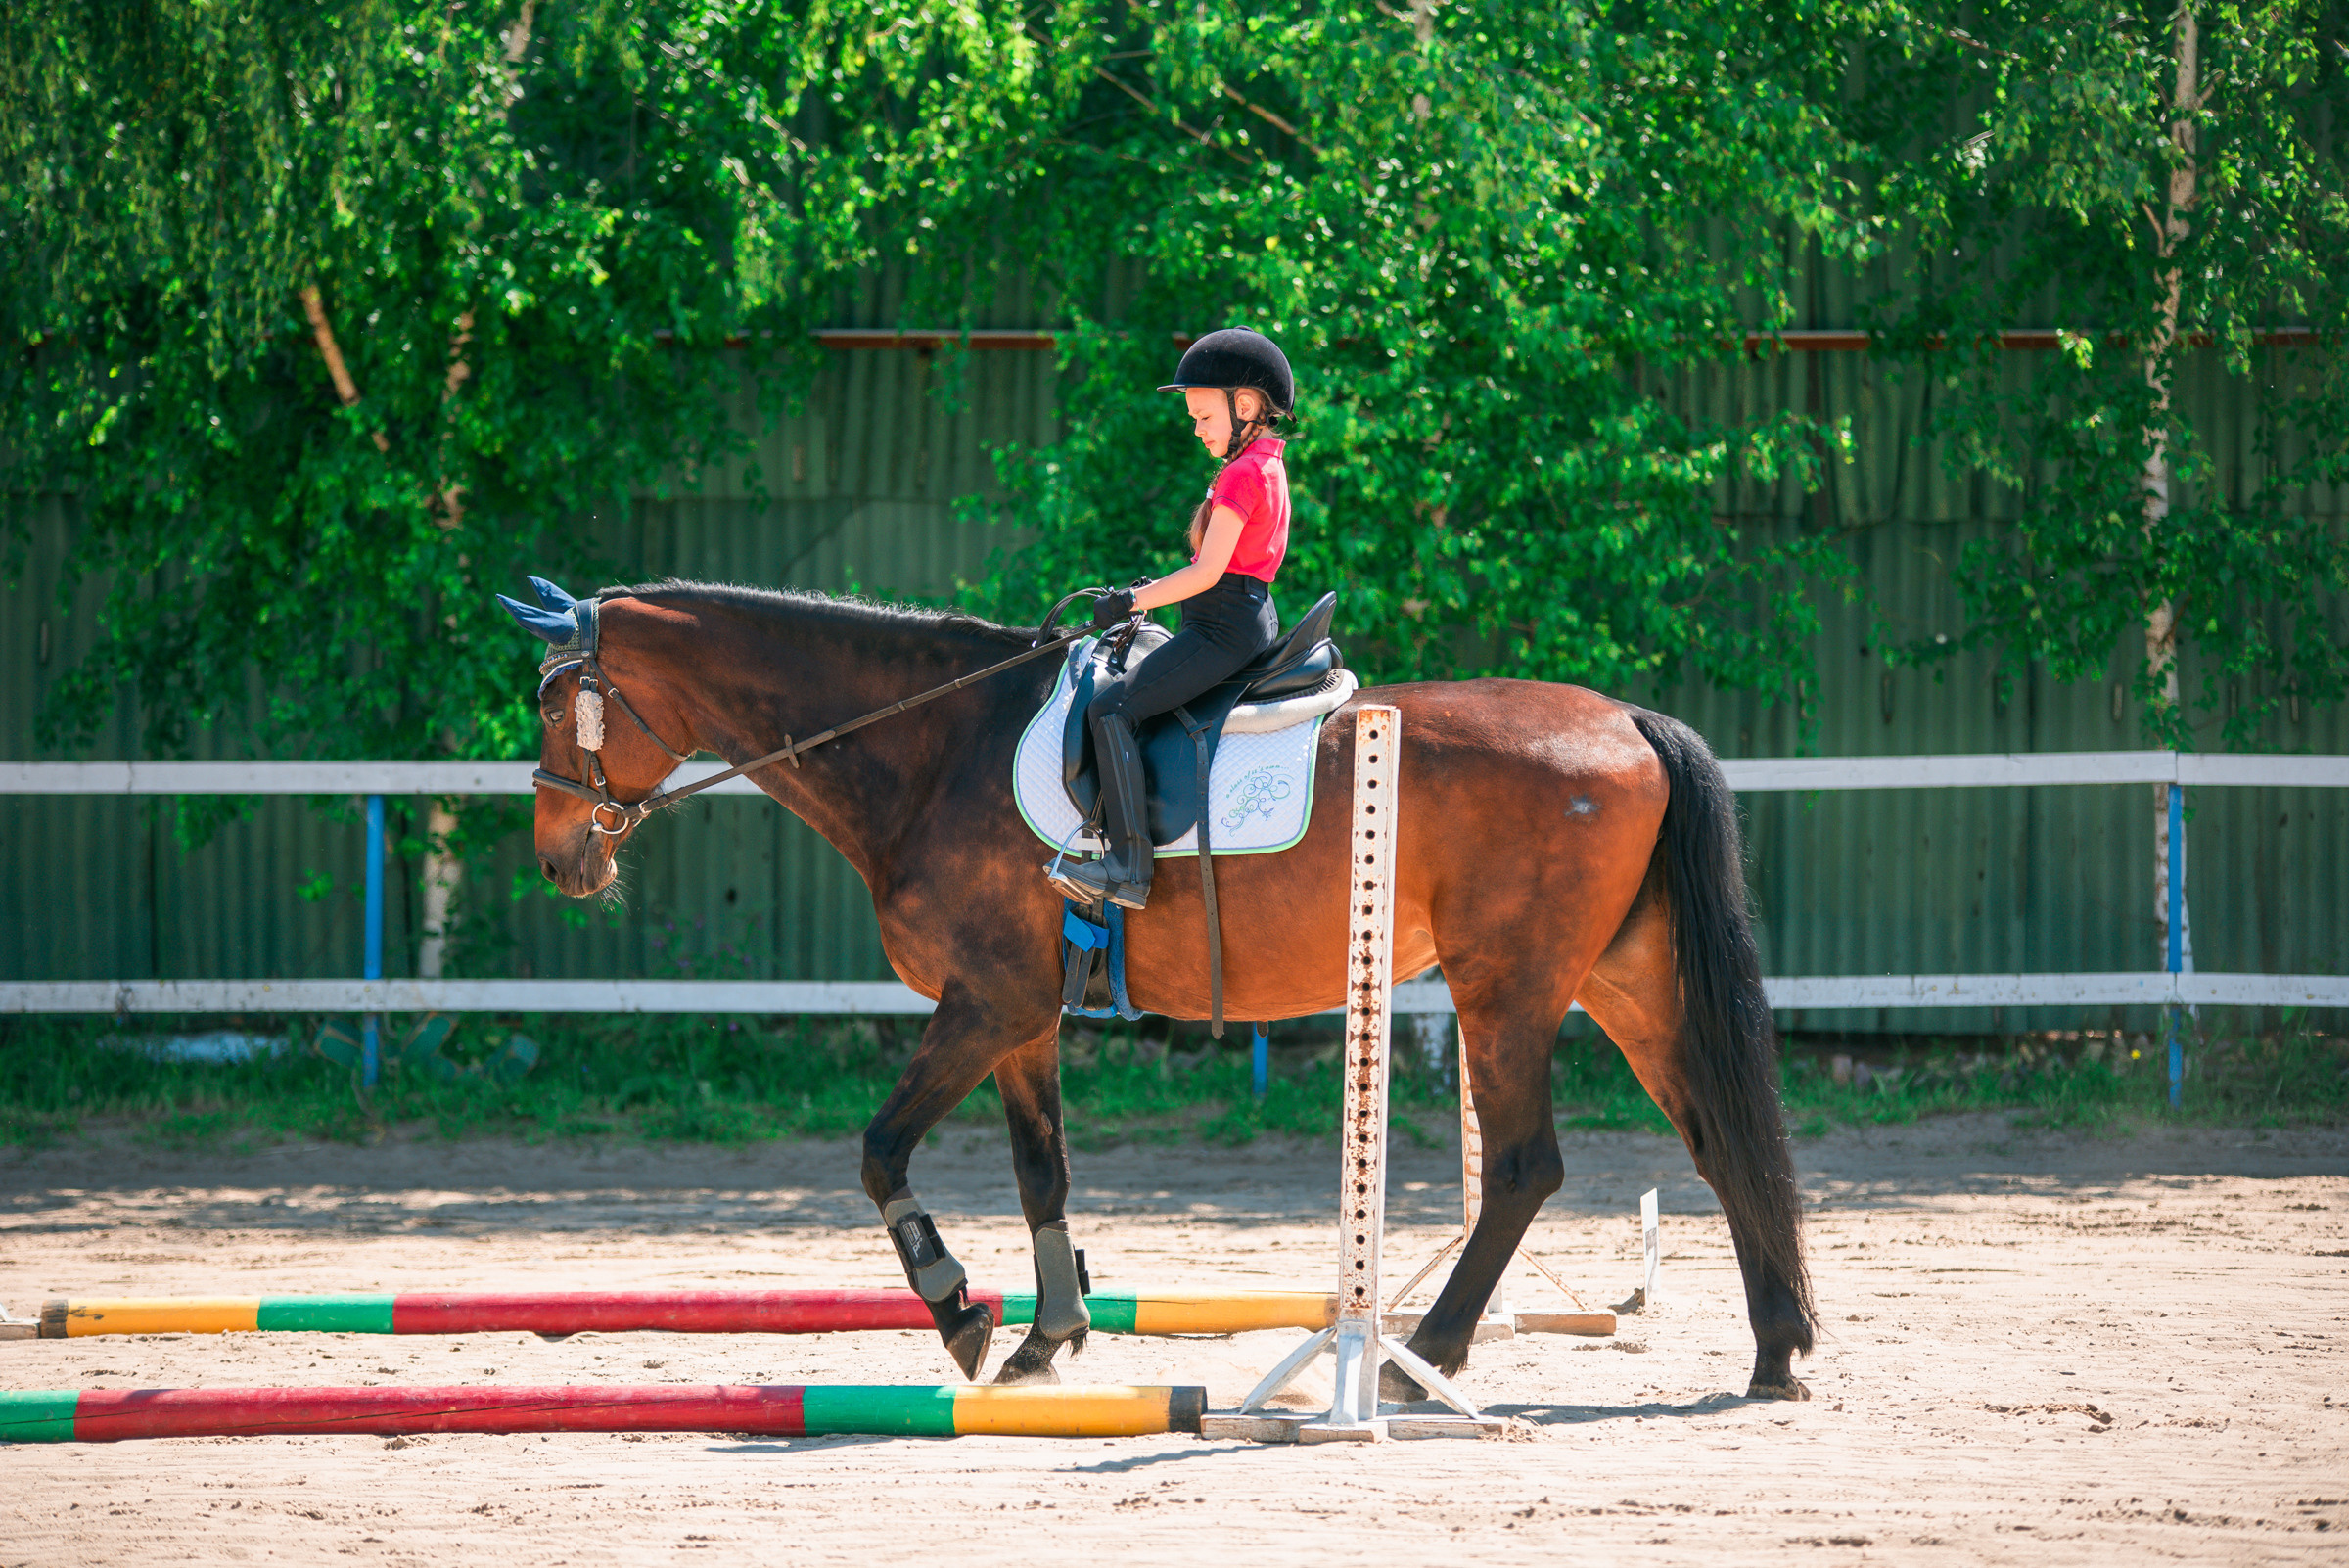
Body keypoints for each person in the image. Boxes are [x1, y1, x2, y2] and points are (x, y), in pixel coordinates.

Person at [1045, 327, 1295, 911]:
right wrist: (1146, 591)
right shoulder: (1264, 465)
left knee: (1111, 709)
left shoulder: (1243, 474)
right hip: (1236, 616)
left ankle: (1129, 865)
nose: (1197, 428)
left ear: (1247, 406)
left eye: (1205, 415)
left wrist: (1132, 603)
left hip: (1221, 626)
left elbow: (1208, 573)